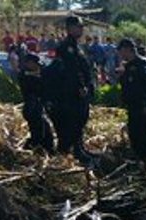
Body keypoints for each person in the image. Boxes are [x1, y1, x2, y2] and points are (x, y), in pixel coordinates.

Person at [44, 15, 96, 165]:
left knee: (80, 121)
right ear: (70, 28)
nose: (81, 29)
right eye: (79, 26)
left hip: (78, 93)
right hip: (71, 94)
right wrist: (80, 87)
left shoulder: (76, 46)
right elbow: (72, 71)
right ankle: (71, 151)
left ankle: (79, 147)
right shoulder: (67, 47)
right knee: (72, 122)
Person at [117, 38, 146, 161]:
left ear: (127, 50)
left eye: (121, 52)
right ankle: (140, 161)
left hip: (144, 108)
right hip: (133, 107)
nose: (120, 55)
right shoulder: (128, 66)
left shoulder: (143, 64)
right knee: (135, 135)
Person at [18, 53, 54, 154]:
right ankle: (31, 150)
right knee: (38, 133)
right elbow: (33, 86)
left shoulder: (38, 74)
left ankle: (47, 150)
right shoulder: (25, 75)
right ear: (29, 63)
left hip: (38, 107)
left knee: (46, 131)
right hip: (32, 108)